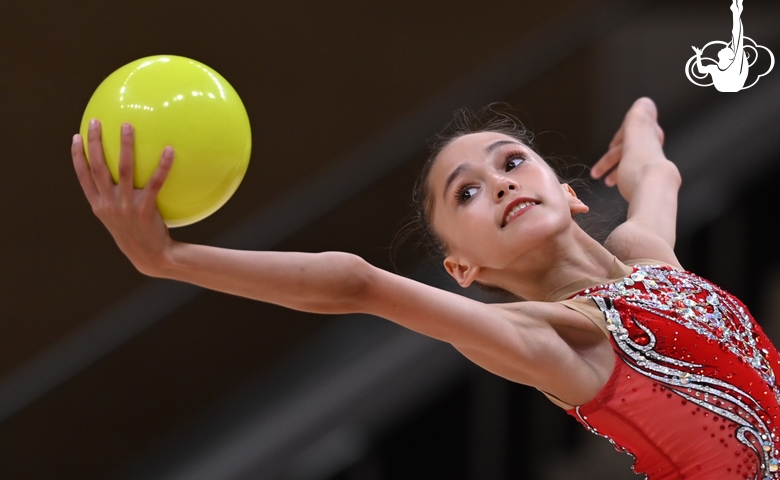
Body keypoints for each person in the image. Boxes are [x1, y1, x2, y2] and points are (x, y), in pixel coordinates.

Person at [71, 97, 780, 479]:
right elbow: (354, 284)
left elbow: (656, 176)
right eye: (465, 192)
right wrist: (170, 260)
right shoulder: (553, 340)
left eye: (512, 162)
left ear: (569, 195)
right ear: (462, 270)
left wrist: (643, 119)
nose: (500, 182)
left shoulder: (646, 256)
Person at [692, 0, 748, 92]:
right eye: (728, 48)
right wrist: (698, 55)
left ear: (730, 57)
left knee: (737, 38)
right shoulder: (714, 68)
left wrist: (736, 13)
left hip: (733, 86)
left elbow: (737, 35)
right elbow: (701, 70)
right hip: (725, 87)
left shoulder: (735, 65)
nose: (725, 47)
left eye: (728, 49)